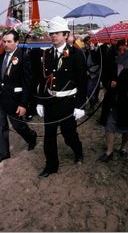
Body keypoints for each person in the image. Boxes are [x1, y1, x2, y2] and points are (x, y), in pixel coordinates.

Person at [36, 16, 86, 177]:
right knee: (49, 136)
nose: (53, 36)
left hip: (68, 102)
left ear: (65, 35)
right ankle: (51, 166)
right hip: (50, 101)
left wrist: (80, 106)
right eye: (51, 33)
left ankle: (78, 151)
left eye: (56, 33)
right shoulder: (47, 54)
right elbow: (44, 80)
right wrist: (40, 102)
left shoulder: (76, 54)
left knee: (69, 135)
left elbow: (82, 82)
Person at [0, 30, 37, 164]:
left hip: (14, 100)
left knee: (18, 125)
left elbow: (27, 83)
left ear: (17, 42)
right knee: (0, 125)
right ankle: (3, 153)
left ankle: (31, 137)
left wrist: (24, 104)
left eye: (9, 42)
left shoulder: (23, 57)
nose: (6, 44)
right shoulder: (0, 55)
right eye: (4, 41)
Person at [97, 40, 128, 162]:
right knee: (109, 125)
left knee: (126, 128)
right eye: (120, 49)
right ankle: (109, 151)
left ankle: (123, 148)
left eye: (125, 50)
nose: (122, 52)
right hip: (112, 100)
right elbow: (104, 78)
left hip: (127, 102)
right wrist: (109, 83)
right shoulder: (112, 62)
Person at [82, 36, 101, 110]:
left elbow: (98, 64)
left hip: (93, 75)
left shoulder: (96, 51)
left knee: (90, 90)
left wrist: (90, 71)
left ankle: (93, 104)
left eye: (88, 43)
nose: (87, 45)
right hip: (84, 74)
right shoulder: (82, 51)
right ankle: (92, 103)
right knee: (86, 91)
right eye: (86, 43)